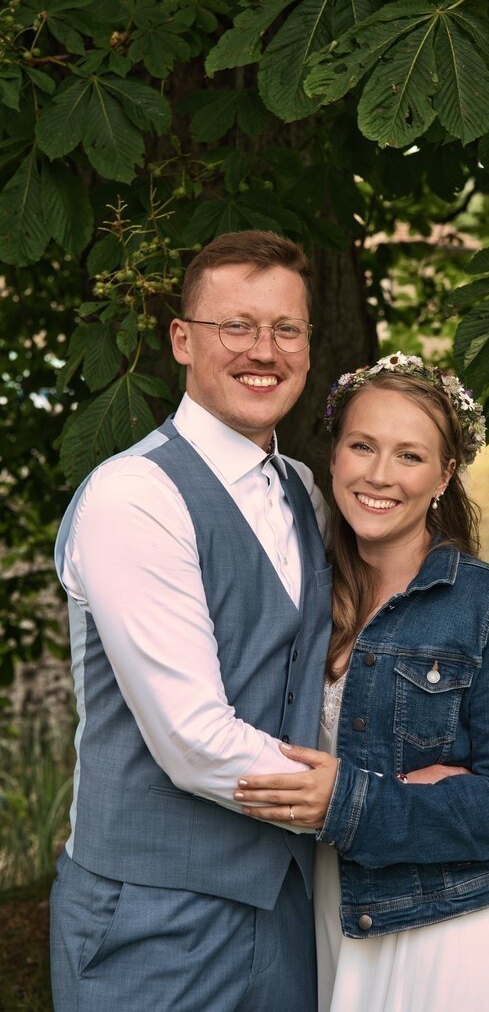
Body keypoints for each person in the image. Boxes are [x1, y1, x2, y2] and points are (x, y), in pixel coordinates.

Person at [234, 352, 489, 1011]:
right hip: (342, 918)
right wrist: (407, 787)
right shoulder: (302, 597)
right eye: (362, 446)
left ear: (444, 474)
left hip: (457, 933)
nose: (378, 475)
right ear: (333, 455)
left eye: (409, 456)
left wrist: (354, 800)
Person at [50, 230, 334, 1012]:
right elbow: (191, 739)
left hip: (283, 902)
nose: (263, 351)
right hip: (153, 913)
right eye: (235, 326)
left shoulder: (304, 490)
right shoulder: (134, 496)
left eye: (286, 329)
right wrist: (365, 803)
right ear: (182, 339)